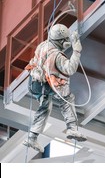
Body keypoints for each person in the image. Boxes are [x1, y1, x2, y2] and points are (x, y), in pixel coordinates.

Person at [23, 24, 87, 153]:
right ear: (61, 42)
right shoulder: (57, 56)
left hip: (35, 83)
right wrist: (76, 51)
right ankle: (72, 129)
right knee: (67, 99)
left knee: (44, 108)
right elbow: (70, 69)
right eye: (66, 40)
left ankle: (32, 137)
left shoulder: (43, 45)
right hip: (46, 85)